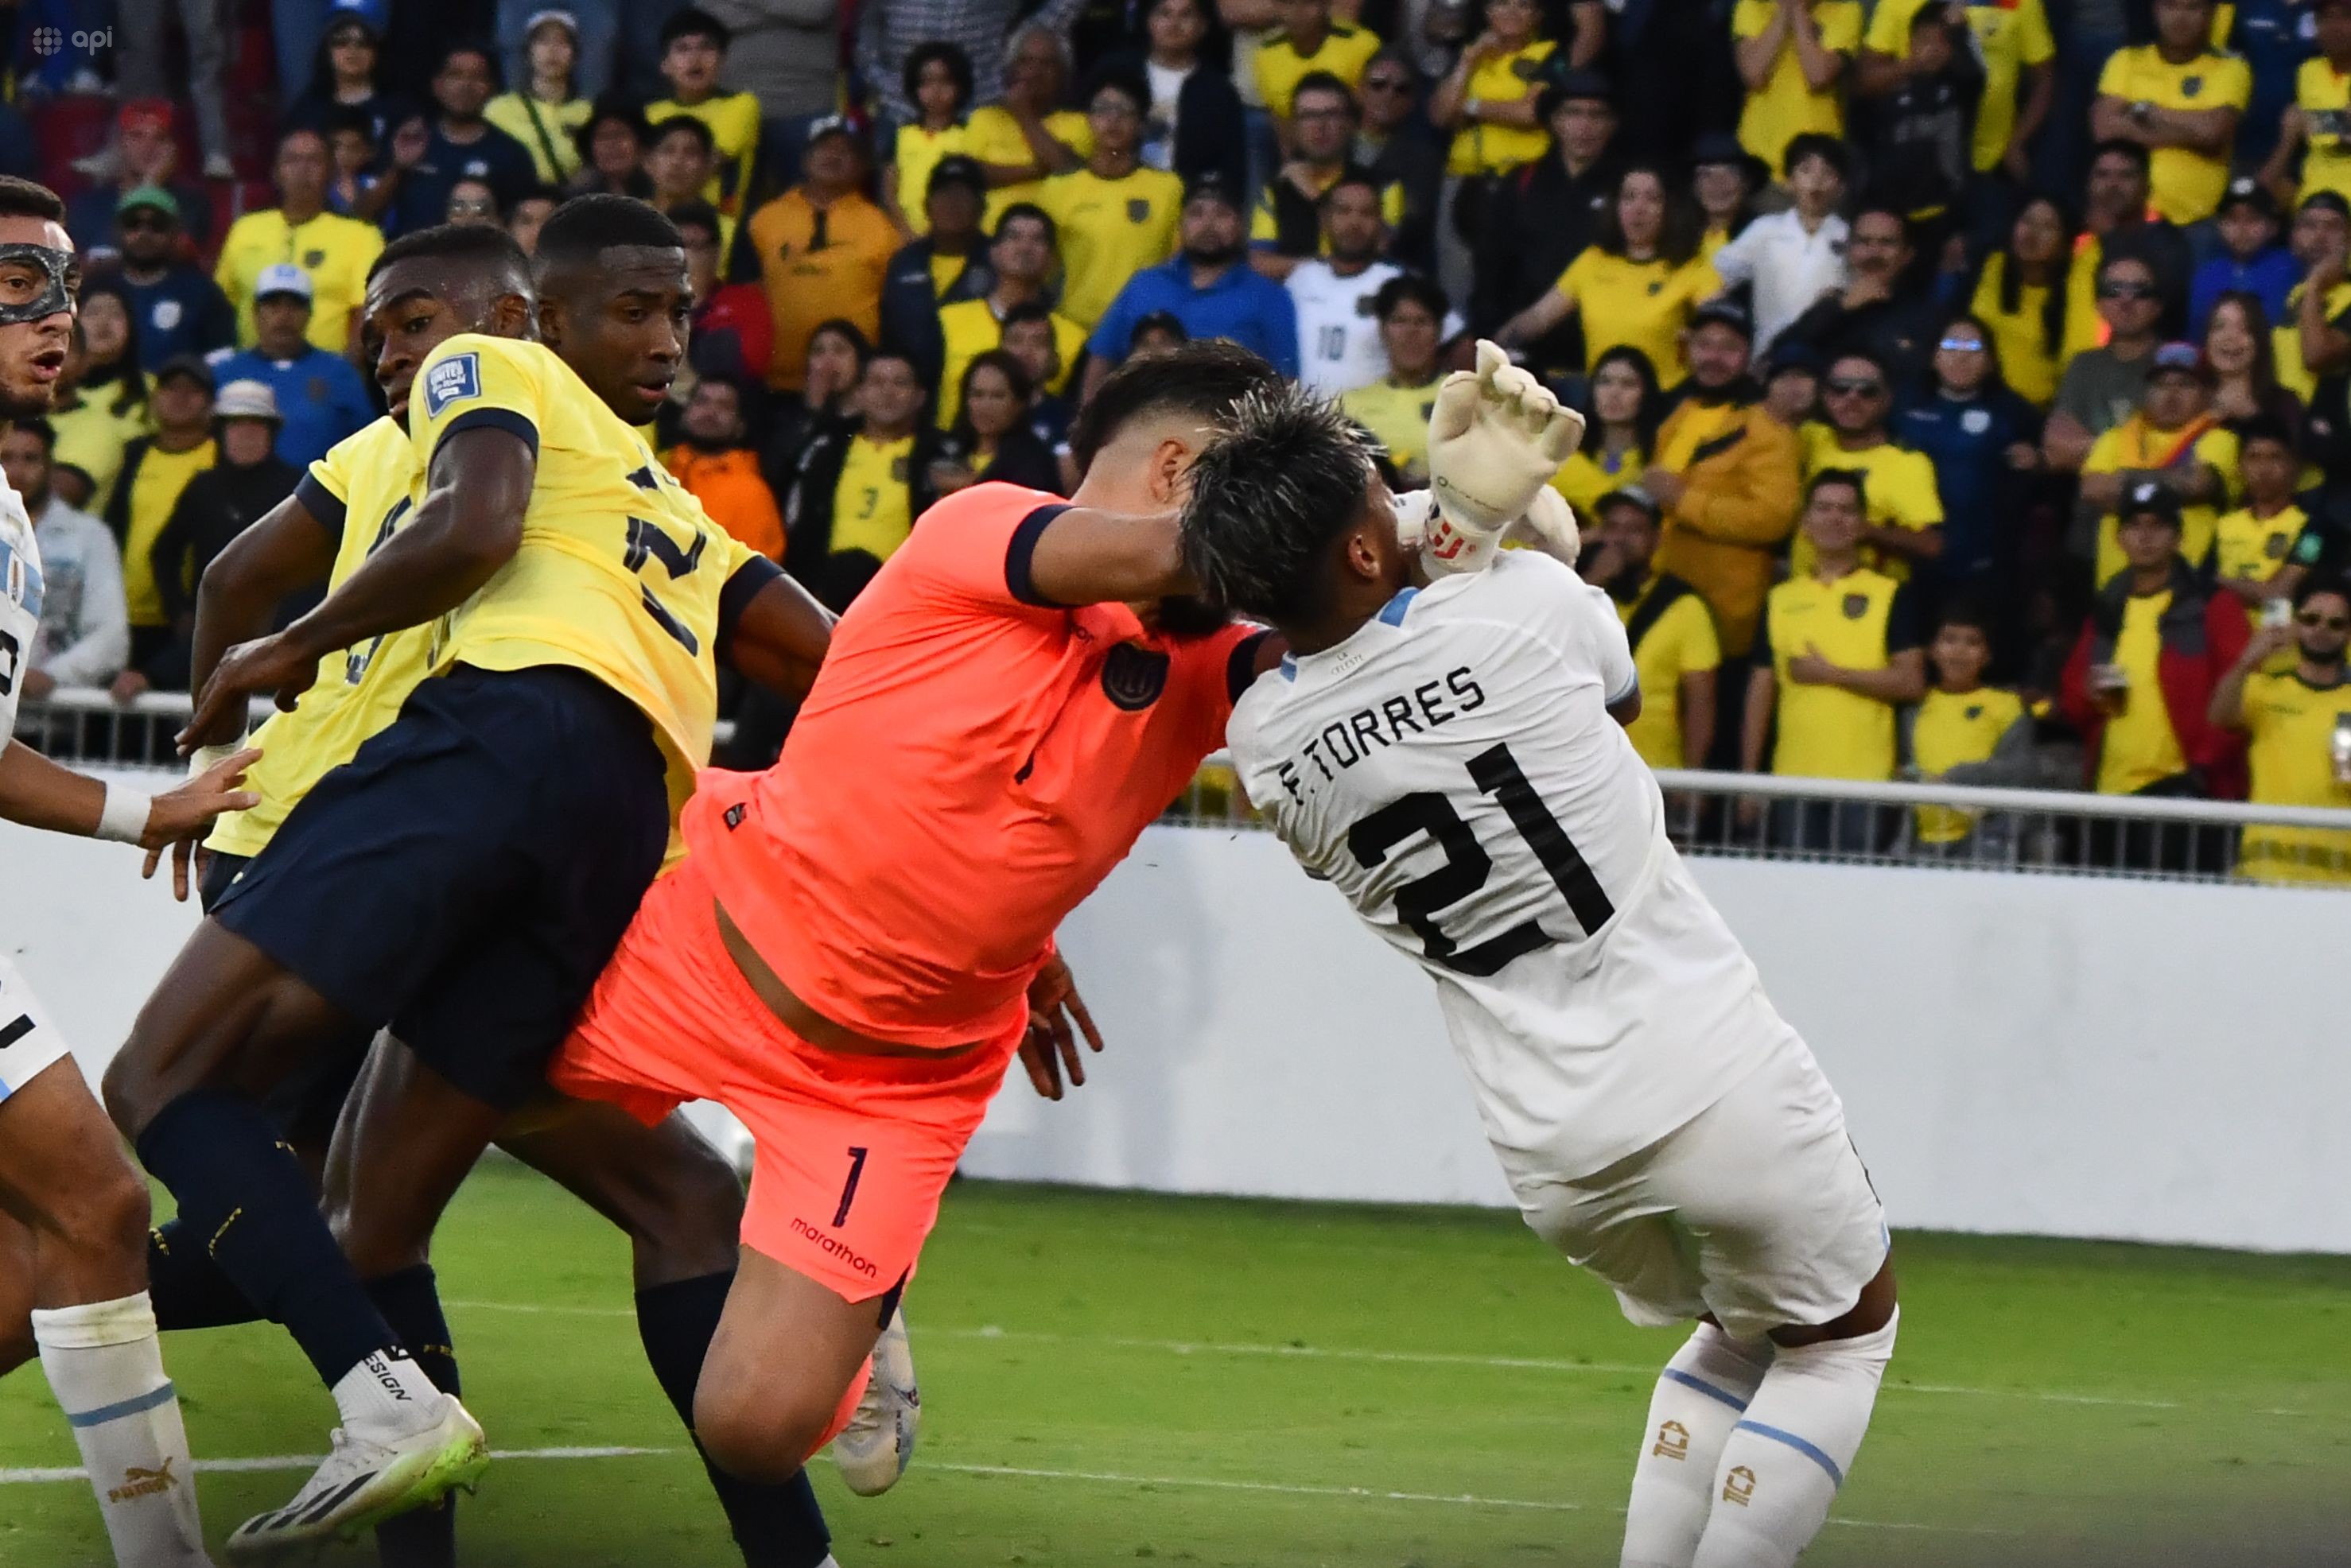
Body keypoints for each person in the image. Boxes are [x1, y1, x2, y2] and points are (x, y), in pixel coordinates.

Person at [141, 216, 888, 1565]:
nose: (396, 350)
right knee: (411, 1212)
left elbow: (403, 541)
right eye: (381, 329)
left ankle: (334, 1387)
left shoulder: (484, 383)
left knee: (169, 1096)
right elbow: (845, 672)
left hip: (466, 772)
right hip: (609, 835)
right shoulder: (662, 500)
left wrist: (270, 661)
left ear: (512, 313)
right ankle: (797, 1534)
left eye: (412, 321)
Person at [545, 340, 1292, 1503]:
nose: (1265, 553)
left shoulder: (1208, 666)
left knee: (751, 1428)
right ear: (1178, 468)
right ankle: (632, 1225)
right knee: (449, 1059)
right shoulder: (983, 524)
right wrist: (1380, 506)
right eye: (1259, 494)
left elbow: (1356, 636)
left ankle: (860, 1310)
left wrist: (1481, 535)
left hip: (891, 1084)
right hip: (697, 940)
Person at [1187, 374, 1899, 1568]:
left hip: (1552, 1153)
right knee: (1839, 1339)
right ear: (1368, 544)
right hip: (1714, 1075)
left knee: (1737, 1334)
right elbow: (1608, 693)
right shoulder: (1518, 605)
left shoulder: (1263, 745)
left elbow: (1351, 604)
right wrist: (1479, 523)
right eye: (1384, 489)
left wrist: (1445, 527)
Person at [0, 175, 260, 1568]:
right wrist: (147, 809)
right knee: (98, 1205)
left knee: (27, 1263)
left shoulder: (16, 515)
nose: (60, 315)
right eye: (17, 284)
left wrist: (146, 810)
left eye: (66, 282)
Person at [2059, 483, 2250, 864]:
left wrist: (2201, 772)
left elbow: (2244, 694)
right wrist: (2089, 695)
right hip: (2109, 793)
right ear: (2119, 538)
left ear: (2178, 537)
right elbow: (2072, 696)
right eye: (2135, 526)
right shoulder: (2108, 606)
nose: (2145, 537)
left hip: (2186, 795)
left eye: (2158, 526)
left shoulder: (2213, 604)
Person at [1743, 470, 1928, 849]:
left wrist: (1831, 674)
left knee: (1858, 894)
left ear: (1862, 525)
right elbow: (1761, 690)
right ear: (1805, 522)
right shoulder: (1780, 598)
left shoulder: (1890, 594)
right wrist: (1749, 778)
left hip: (1866, 782)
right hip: (1792, 776)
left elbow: (1911, 682)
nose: (1834, 519)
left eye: (1846, 510)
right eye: (1823, 508)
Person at [1646, 301, 1802, 658]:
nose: (1714, 357)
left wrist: (1683, 500)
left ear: (1749, 356)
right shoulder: (1679, 412)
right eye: (1704, 345)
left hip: (1725, 618)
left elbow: (1773, 518)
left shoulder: (1769, 428)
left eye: (1729, 348)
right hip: (1664, 598)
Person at [1496, 164, 1719, 388]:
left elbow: (1718, 330)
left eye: (1653, 199)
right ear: (1616, 206)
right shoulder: (1593, 261)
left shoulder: (1693, 266)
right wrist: (1492, 349)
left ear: (1671, 208)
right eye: (1629, 197)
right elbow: (1539, 317)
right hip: (1603, 400)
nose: (1638, 208)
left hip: (1668, 402)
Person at [145, 381, 302, 693]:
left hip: (281, 640)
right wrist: (179, 612)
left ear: (272, 431)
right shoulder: (203, 488)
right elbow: (164, 553)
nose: (245, 434)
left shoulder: (298, 488)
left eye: (255, 425)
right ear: (220, 431)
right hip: (208, 637)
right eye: (235, 425)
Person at [1085, 173, 1301, 393]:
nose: (1209, 225)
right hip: (1144, 418)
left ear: (1240, 225)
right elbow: (1102, 358)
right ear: (1181, 224)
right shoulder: (1144, 284)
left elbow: (1287, 380)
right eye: (1196, 214)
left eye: (1222, 214)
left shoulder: (1269, 297)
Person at [1471, 73, 1620, 382]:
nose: (1584, 126)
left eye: (1596, 115)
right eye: (1573, 113)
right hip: (1527, 357)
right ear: (1554, 121)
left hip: (1604, 359)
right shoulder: (1522, 183)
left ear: (1612, 125)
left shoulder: (1628, 188)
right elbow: (1491, 267)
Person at [2209, 574, 2351, 882]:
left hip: (2340, 880)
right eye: (2311, 619)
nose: (2321, 630)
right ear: (2296, 623)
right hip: (2266, 870)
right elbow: (2219, 716)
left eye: (2336, 624)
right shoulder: (2264, 688)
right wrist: (2248, 661)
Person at [1896, 315, 2042, 611]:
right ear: (1934, 356)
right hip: (1911, 559)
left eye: (1973, 348)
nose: (1961, 356)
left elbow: (2042, 465)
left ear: (1990, 361)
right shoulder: (1904, 406)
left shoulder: (2012, 412)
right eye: (1950, 345)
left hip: (1985, 563)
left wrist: (2036, 460)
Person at [748, 118, 900, 395]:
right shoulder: (765, 220)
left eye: (846, 150)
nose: (833, 155)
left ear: (862, 166)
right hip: (772, 385)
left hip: (853, 386)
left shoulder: (881, 226)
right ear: (805, 158)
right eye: (824, 147)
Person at [783, 350, 941, 611]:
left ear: (920, 397)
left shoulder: (939, 456)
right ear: (859, 394)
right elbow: (799, 522)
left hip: (906, 602)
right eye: (877, 382)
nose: (887, 392)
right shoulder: (827, 450)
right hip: (826, 599)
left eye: (900, 383)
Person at [1584, 484, 1721, 770]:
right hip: (1580, 769)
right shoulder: (1575, 592)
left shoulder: (1684, 605)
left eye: (1634, 530)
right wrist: (1594, 580)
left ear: (1656, 539)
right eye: (1611, 527)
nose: (1620, 539)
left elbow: (1701, 702)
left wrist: (1694, 779)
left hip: (1653, 770)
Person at [1036, 68, 1186, 331]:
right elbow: (1043, 270)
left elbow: (1178, 267)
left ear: (1141, 123)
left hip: (1144, 330)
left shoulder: (1168, 187)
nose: (1113, 120)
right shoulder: (1058, 188)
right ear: (1088, 120)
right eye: (1103, 110)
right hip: (1074, 327)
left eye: (1124, 111)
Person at [2080, 341, 2240, 583]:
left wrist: (2123, 481)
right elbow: (2092, 489)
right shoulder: (2114, 438)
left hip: (2188, 590)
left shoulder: (2219, 439)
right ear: (2147, 391)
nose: (2171, 395)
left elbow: (2197, 484)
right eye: (2161, 385)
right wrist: (2171, 481)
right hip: (2116, 590)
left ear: (2207, 394)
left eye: (2186, 385)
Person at [216, 127, 387, 353]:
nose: (303, 170)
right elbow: (220, 305)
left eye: (314, 161)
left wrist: (347, 375)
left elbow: (368, 314)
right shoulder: (245, 229)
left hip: (324, 380)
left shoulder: (361, 236)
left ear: (330, 173)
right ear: (276, 172)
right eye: (292, 160)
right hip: (250, 376)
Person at [1857, 0, 2054, 194]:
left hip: (1993, 165)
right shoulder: (1896, 3)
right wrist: (1911, 64)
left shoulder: (2018, 3)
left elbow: (2044, 79)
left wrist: (2017, 143)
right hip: (1911, 168)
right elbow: (1864, 82)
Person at [106, 357, 216, 697]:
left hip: (183, 620)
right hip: (126, 613)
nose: (180, 397)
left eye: (192, 390)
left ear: (211, 403)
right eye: (170, 388)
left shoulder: (221, 456)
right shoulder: (134, 453)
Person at [2090, 0, 2249, 226]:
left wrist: (2146, 111)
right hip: (2124, 217)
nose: (2180, 17)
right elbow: (2104, 130)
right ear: (2155, 8)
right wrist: (2191, 131)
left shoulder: (2230, 68)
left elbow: (2213, 134)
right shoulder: (2125, 60)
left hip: (2196, 221)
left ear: (2211, 13)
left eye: (2192, 8)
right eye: (2170, 6)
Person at [210, 264, 376, 472]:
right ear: (255, 313)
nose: (284, 315)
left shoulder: (339, 373)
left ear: (309, 313)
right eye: (273, 305)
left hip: (319, 498)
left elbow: (369, 444)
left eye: (294, 306)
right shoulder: (225, 372)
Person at [4, 418, 128, 697]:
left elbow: (110, 636)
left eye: (30, 459)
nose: (17, 470)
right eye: (5, 458)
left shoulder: (89, 536)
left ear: (50, 466)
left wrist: (52, 675)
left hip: (59, 714)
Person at [1797, 351, 1945, 580]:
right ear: (1824, 395)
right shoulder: (1809, 438)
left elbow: (1930, 545)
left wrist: (1868, 531)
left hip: (1869, 605)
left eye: (1868, 391)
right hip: (1801, 596)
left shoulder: (1906, 463)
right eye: (1840, 388)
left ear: (1886, 399)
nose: (1852, 398)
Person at [937, 205, 1088, 429]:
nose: (1025, 248)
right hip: (958, 450)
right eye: (1013, 237)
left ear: (1052, 261)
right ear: (993, 252)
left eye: (1037, 240)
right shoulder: (946, 321)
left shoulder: (1075, 338)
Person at [1903, 601, 2033, 858]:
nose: (1960, 651)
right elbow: (1905, 765)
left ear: (1987, 655)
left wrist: (1958, 777)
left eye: (1972, 642)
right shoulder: (1913, 707)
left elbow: (2021, 769)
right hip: (1922, 842)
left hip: (1987, 838)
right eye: (1949, 640)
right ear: (1932, 650)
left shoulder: (2007, 705)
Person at [1705, 132, 1849, 359]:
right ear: (1789, 182)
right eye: (1806, 170)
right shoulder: (1765, 230)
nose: (1816, 181)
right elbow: (1716, 277)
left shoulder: (1850, 236)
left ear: (1842, 187)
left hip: (1827, 358)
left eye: (1828, 173)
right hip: (1767, 358)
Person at [1248, 74, 1403, 284]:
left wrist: (1314, 194)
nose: (1320, 125)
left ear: (1349, 124)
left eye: (1332, 114)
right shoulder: (1276, 191)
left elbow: (1378, 252)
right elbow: (1259, 263)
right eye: (1308, 115)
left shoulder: (1383, 185)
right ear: (1294, 127)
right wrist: (1326, 265)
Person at [1776, 203, 1943, 393]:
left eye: (1887, 243)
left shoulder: (1929, 318)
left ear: (1907, 255)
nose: (1873, 253)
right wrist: (1840, 308)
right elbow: (1781, 354)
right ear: (1849, 251)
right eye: (1863, 242)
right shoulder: (1830, 308)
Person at [379, 45, 542, 239]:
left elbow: (523, 225)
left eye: (478, 77)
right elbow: (363, 216)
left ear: (493, 88)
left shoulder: (512, 154)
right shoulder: (409, 140)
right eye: (455, 75)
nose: (466, 85)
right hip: (410, 264)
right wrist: (398, 168)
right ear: (437, 85)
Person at [1287, 173, 1427, 394]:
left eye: (1367, 213)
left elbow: (1459, 347)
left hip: (1376, 424)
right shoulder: (1300, 279)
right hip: (1307, 423)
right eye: (1343, 212)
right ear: (1324, 219)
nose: (1354, 223)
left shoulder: (1401, 282)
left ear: (1380, 221)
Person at [2045, 252, 2168, 473]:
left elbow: (2180, 450)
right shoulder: (2084, 364)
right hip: (2092, 503)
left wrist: (2093, 447)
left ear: (2157, 306)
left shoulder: (2175, 362)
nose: (2126, 301)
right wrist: (2141, 449)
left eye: (2139, 292)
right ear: (2099, 305)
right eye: (2114, 291)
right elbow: (2057, 451)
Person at [880, 157, 994, 389]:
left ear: (982, 207)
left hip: (977, 396)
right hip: (910, 397)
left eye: (963, 195)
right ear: (926, 206)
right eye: (943, 194)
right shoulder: (903, 262)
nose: (953, 203)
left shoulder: (1000, 261)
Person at [967, 25, 1093, 231]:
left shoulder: (1080, 123)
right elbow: (971, 176)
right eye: (1026, 62)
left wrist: (1024, 116)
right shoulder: (984, 118)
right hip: (992, 240)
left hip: (1056, 239)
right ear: (1010, 69)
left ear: (1063, 75)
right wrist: (1035, 169)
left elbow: (1069, 170)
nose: (1035, 72)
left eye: (1048, 64)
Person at [1119, 0, 1249, 199]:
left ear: (1203, 26)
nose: (1174, 23)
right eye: (1164, 14)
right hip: (1118, 190)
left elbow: (1231, 164)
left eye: (1186, 15)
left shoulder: (1219, 90)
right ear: (1148, 21)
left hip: (1189, 201)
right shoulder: (1119, 73)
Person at [62, 99, 214, 262]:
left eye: (160, 138)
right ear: (120, 144)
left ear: (173, 149)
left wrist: (149, 187)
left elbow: (172, 256)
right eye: (136, 136)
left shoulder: (191, 204)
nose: (148, 147)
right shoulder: (86, 205)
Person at [647, 7, 765, 217]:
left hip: (719, 227)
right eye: (683, 49)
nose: (695, 58)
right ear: (665, 65)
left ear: (723, 60)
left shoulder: (742, 105)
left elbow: (704, 166)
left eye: (707, 47)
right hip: (660, 220)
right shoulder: (650, 113)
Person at [1970, 195, 2077, 409]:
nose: (2032, 234)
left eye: (2048, 227)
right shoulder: (1989, 265)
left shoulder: (2074, 290)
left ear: (2065, 243)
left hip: (2034, 410)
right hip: (1975, 399)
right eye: (2027, 221)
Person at [1731, 0, 1862, 176]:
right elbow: (1754, 75)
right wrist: (1784, 12)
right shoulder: (1753, 6)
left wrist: (1798, 11)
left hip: (1819, 163)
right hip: (1759, 157)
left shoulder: (1845, 10)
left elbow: (1818, 76)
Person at [111, 188, 235, 372]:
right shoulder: (98, 289)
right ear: (117, 231)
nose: (144, 233)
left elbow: (221, 359)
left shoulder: (203, 293)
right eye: (133, 223)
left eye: (157, 225)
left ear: (176, 233)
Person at [1430, 0, 1556, 180]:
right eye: (1502, 3)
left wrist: (1468, 106)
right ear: (1487, 12)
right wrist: (1469, 62)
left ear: (1537, 15)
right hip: (1465, 173)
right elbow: (1441, 116)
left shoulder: (1549, 53)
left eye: (1523, 5)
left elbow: (1532, 111)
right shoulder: (1469, 54)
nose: (1512, 12)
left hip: (1523, 173)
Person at [1339, 273, 1450, 480]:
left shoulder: (1465, 397)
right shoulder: (1350, 405)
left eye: (1422, 321)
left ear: (1440, 331)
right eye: (1399, 321)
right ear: (1382, 330)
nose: (1411, 333)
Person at [667, 375, 787, 559]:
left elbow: (754, 577)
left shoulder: (750, 492)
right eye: (702, 401)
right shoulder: (655, 469)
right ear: (685, 413)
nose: (710, 412)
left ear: (740, 425)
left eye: (724, 406)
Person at [1352, 48, 1442, 274]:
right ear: (1360, 91)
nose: (1389, 94)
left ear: (1412, 102)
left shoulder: (1424, 157)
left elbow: (1413, 219)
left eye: (1401, 89)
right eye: (1378, 85)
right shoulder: (1334, 143)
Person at [47, 320, 150, 517]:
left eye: (64, 349)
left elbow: (60, 494)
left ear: (85, 363)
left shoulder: (100, 428)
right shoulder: (11, 417)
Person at [283, 8, 422, 152]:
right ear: (327, 50)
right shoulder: (307, 111)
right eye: (342, 42)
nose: (353, 50)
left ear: (377, 51)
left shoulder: (401, 108)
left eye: (364, 43)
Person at [2258, 0, 2351, 209]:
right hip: (2311, 202)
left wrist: (2307, 123)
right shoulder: (2308, 71)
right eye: (2325, 18)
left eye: (2346, 17)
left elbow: (2345, 133)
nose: (2335, 27)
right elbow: (2295, 130)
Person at [484, 6, 592, 187]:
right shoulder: (498, 110)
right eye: (542, 42)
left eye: (562, 42)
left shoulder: (589, 112)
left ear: (575, 55)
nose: (552, 50)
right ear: (528, 53)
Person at [932, 349, 1063, 495]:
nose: (985, 406)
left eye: (998, 396)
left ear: (1019, 403)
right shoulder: (946, 449)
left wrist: (970, 486)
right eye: (977, 394)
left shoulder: (1035, 463)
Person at [2210, 413, 2310, 606]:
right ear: (2240, 466)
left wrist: (2225, 581)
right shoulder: (2224, 525)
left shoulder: (2311, 529)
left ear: (2293, 466)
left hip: (2280, 632)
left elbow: (2278, 596)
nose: (2264, 469)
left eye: (2275, 457)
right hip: (2228, 630)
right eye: (2254, 458)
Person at [1550, 344, 1660, 515]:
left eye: (1628, 384)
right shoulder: (1567, 451)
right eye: (1604, 382)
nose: (1614, 393)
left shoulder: (1660, 456)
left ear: (1647, 394)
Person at [886, 41, 978, 238]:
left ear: (960, 87)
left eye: (945, 82)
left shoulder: (969, 136)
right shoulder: (902, 134)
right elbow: (889, 190)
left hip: (953, 235)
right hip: (904, 234)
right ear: (914, 87)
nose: (936, 91)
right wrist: (905, 230)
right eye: (926, 82)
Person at [2191, 178, 2299, 340]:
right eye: (2232, 220)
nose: (2242, 229)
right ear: (2220, 226)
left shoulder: (2291, 268)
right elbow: (2195, 335)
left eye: (2253, 219)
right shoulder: (2206, 274)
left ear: (2273, 227)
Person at [1253, 0, 1382, 131]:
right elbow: (1281, 125)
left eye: (1308, 3)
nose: (1297, 12)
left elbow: (1374, 117)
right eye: (1288, 3)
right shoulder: (1267, 54)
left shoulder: (1362, 46)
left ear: (1326, 4)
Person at [2275, 191, 2351, 402]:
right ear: (2294, 238)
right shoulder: (2289, 293)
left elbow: (2316, 356)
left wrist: (2316, 284)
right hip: (2281, 421)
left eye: (2333, 227)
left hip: (2328, 427)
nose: (2320, 236)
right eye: (2309, 226)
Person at [2204, 290, 2301, 433]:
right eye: (2219, 327)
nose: (2229, 337)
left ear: (2259, 341)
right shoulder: (2193, 400)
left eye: (2244, 329)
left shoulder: (2284, 405)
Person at [571, 95, 657, 200]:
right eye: (602, 137)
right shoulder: (579, 199)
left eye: (620, 134)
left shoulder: (661, 192)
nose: (611, 145)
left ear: (641, 143)